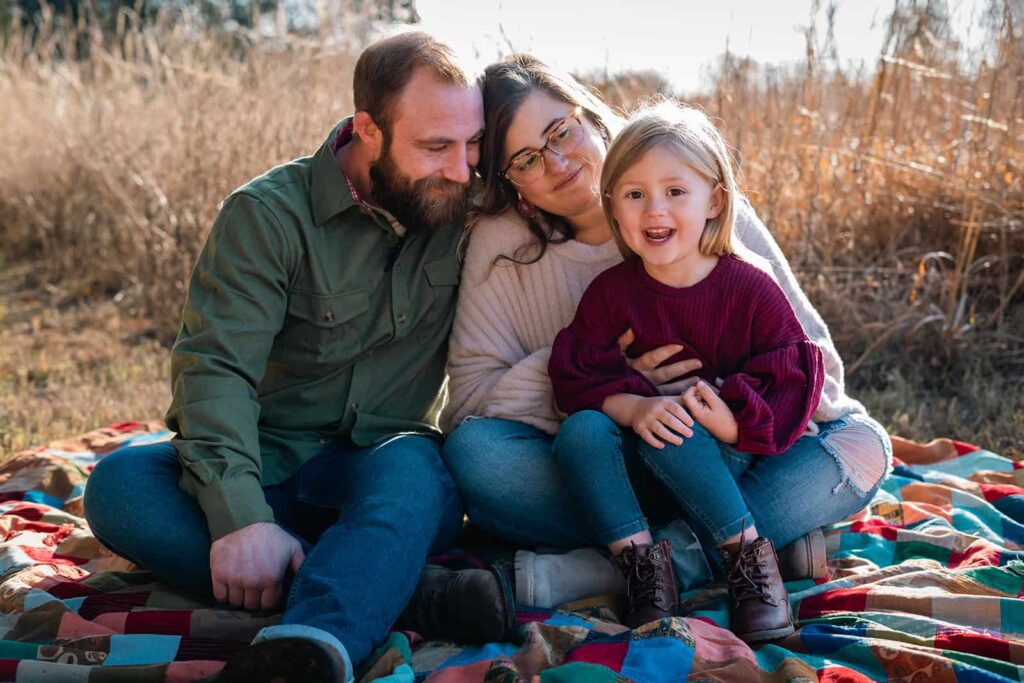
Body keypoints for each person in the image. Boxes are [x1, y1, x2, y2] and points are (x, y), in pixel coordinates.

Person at [83, 32, 513, 683]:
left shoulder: (470, 209)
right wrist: (240, 518)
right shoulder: (267, 216)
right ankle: (401, 590)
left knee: (420, 474)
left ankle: (315, 645)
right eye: (435, 146)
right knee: (119, 487)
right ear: (368, 129)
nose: (461, 167)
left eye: (472, 143)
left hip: (383, 463)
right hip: (270, 461)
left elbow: (580, 219)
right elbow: (215, 369)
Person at [442, 55, 892, 623]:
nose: (557, 161)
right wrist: (620, 382)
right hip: (600, 464)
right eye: (527, 158)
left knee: (860, 447)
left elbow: (817, 369)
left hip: (726, 453)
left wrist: (719, 400)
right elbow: (470, 402)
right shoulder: (501, 244)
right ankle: (760, 545)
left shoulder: (700, 200)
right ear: (513, 184)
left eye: (561, 130)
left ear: (589, 115)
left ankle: (619, 569)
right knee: (475, 457)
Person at [548, 101, 825, 641]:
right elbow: (574, 371)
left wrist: (730, 422)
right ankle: (645, 571)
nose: (655, 209)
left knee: (680, 425)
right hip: (639, 472)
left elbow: (793, 377)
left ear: (715, 200)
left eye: (676, 191)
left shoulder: (749, 287)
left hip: (723, 458)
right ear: (614, 207)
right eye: (635, 194)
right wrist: (633, 405)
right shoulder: (612, 294)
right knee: (582, 430)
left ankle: (747, 559)